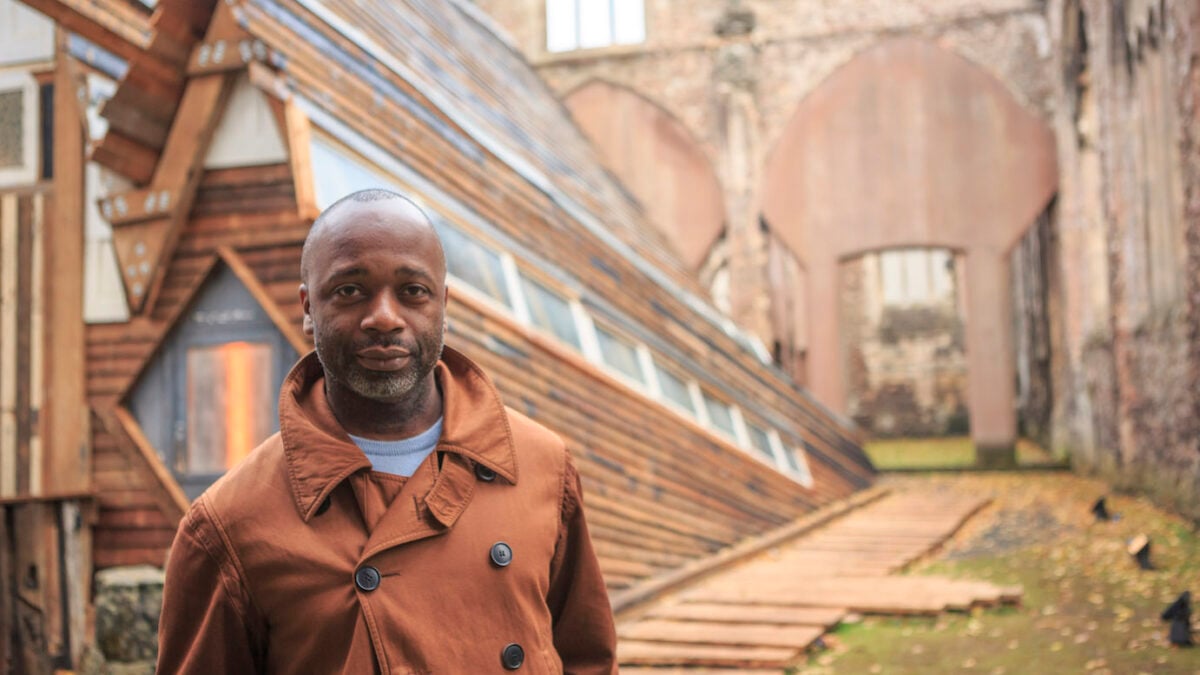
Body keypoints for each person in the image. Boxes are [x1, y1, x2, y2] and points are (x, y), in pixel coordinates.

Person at [156, 189, 618, 673]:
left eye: (412, 291)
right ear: (309, 308)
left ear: (443, 303)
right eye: (350, 291)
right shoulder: (229, 524)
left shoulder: (543, 466)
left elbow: (589, 660)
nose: (384, 317)